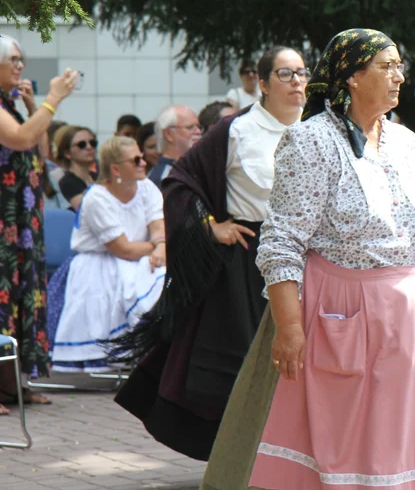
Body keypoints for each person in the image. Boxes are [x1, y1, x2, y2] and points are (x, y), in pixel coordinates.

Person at [195, 29, 415, 490]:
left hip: (410, 317)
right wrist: (290, 328)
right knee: (338, 439)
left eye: (399, 65)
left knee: (400, 437)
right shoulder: (311, 140)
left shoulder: (405, 142)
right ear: (353, 77)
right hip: (337, 310)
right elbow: (282, 241)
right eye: (386, 66)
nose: (398, 75)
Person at [112, 46, 308, 460]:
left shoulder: (317, 130)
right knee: (244, 359)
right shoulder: (235, 130)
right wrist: (209, 227)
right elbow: (180, 180)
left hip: (307, 257)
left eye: (302, 73)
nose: (296, 82)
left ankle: (291, 453)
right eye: (286, 74)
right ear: (263, 81)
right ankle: (239, 456)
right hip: (247, 258)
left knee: (304, 355)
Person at [0, 34, 79, 415]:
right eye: (13, 60)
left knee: (22, 296)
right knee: (2, 297)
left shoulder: (12, 104)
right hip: (4, 219)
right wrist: (53, 99)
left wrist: (33, 103)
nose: (20, 66)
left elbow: (41, 149)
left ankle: (14, 384)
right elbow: (19, 138)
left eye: (21, 60)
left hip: (23, 218)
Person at [50, 137, 166, 373]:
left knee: (163, 281)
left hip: (142, 260)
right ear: (115, 169)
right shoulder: (96, 198)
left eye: (142, 157)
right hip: (99, 265)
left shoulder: (147, 187)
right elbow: (122, 249)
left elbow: (158, 227)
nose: (143, 163)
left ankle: (156, 357)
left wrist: (162, 246)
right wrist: (157, 246)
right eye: (135, 159)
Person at [149, 105, 202, 187]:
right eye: (190, 127)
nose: (198, 132)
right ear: (168, 134)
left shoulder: (187, 169)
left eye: (199, 127)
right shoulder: (165, 177)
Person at [54, 125, 98, 210]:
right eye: (81, 145)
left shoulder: (98, 177)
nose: (89, 147)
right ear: (67, 153)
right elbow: (85, 211)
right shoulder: (67, 182)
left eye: (93, 143)